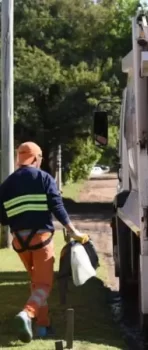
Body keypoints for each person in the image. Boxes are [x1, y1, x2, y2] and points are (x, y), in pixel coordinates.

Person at [0, 142, 89, 343]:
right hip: (41, 241)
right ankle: (27, 314)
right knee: (44, 284)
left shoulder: (6, 185)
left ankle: (43, 326)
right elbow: (57, 207)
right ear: (35, 158)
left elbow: (3, 218)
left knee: (36, 283)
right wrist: (73, 231)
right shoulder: (44, 178)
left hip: (20, 243)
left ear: (19, 159)